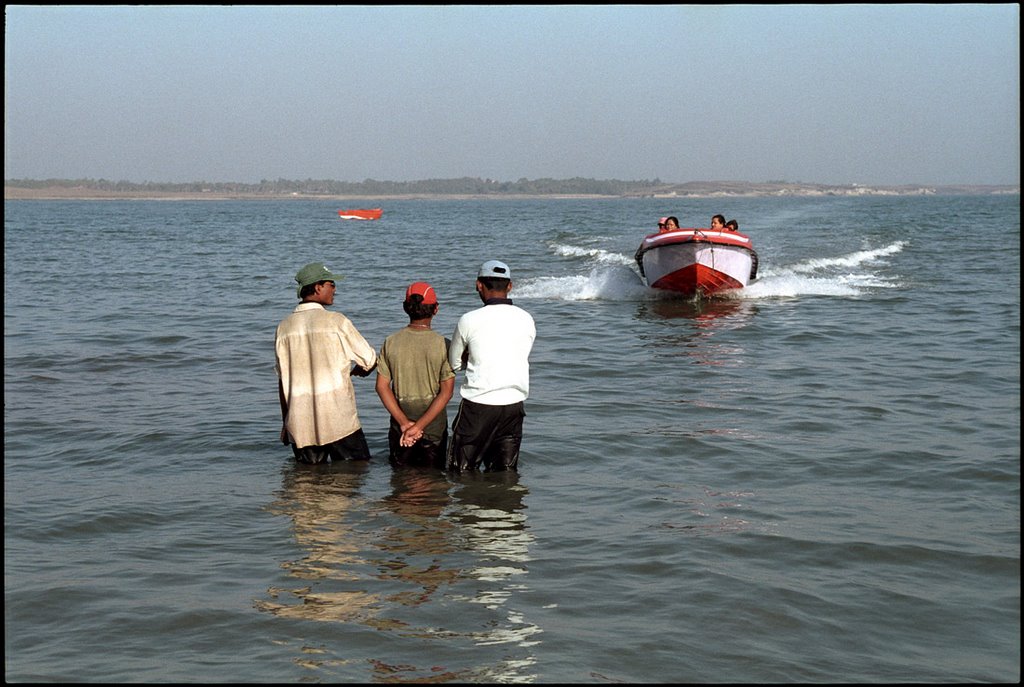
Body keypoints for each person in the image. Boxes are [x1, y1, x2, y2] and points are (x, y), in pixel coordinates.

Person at [275, 261, 378, 464]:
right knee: (354, 475)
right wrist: (361, 371)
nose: (335, 289)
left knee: (308, 486)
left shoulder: (284, 327)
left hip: (301, 423)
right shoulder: (336, 321)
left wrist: (285, 422)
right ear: (318, 287)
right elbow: (370, 359)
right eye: (331, 284)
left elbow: (282, 381)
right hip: (338, 419)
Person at [447, 260, 536, 472]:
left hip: (478, 405)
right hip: (514, 405)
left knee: (461, 470)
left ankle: (469, 504)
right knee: (505, 471)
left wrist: (470, 356)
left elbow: (454, 364)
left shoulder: (468, 320)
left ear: (479, 285)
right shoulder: (526, 319)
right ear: (510, 286)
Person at [375, 281, 456, 469]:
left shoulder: (391, 342)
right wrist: (419, 427)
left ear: (405, 308)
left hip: (400, 428)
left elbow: (381, 387)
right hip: (433, 429)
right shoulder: (443, 344)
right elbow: (446, 393)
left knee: (401, 484)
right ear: (436, 309)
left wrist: (405, 424)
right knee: (433, 485)